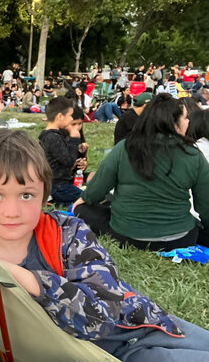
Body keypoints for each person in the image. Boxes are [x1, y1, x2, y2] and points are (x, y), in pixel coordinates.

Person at [0, 129, 209, 362]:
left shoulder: (69, 233)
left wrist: (27, 279)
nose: (12, 211)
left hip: (135, 327)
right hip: (110, 357)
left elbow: (102, 318)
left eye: (26, 195)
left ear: (45, 194)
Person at [74, 93, 209, 250]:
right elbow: (205, 205)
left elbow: (96, 190)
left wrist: (81, 202)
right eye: (185, 118)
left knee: (84, 209)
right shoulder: (193, 155)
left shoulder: (124, 148)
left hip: (127, 236)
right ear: (174, 123)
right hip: (180, 238)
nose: (188, 122)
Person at [38, 97, 87, 205]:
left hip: (54, 184)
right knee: (87, 198)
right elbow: (68, 161)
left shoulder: (48, 135)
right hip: (58, 186)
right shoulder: (53, 137)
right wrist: (74, 140)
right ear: (60, 116)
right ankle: (52, 199)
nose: (71, 119)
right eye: (69, 115)